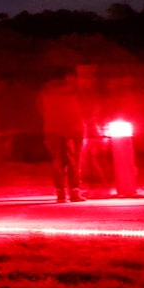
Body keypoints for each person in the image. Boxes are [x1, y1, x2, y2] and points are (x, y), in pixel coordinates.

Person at [39, 70, 89, 202]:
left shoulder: (44, 92)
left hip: (52, 128)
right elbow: (86, 108)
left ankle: (60, 193)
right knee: (75, 161)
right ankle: (74, 192)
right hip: (74, 128)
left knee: (57, 161)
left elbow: (41, 110)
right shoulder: (75, 91)